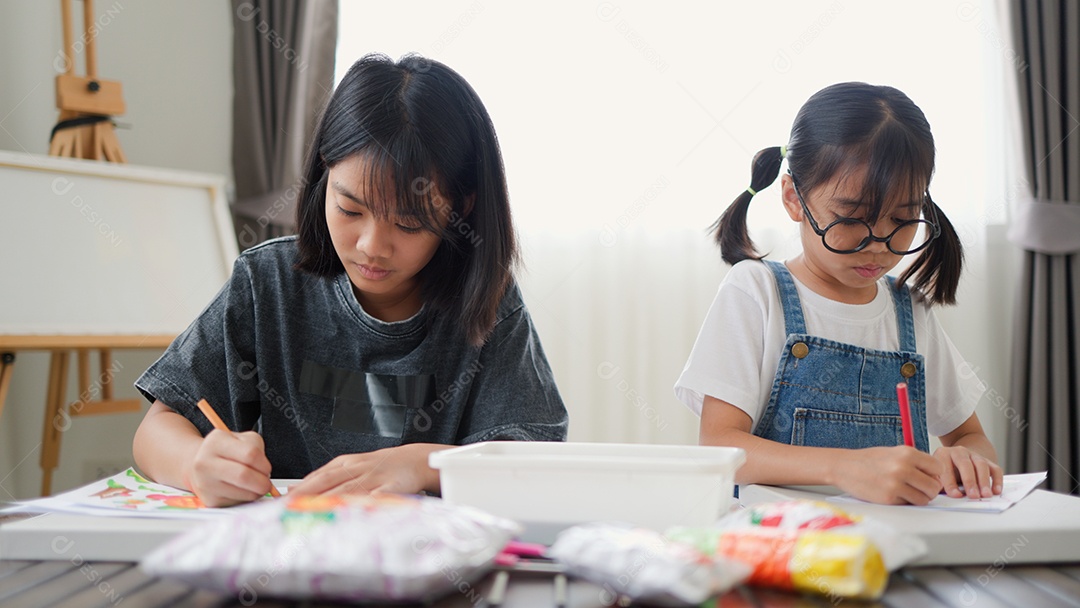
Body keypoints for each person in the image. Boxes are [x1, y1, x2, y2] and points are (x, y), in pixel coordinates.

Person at [133, 54, 568, 507]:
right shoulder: (269, 284)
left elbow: (533, 460)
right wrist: (196, 464)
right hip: (286, 556)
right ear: (325, 175)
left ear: (461, 209)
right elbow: (157, 427)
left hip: (424, 563)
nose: (371, 246)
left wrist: (423, 465)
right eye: (350, 210)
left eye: (409, 223)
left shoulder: (486, 305)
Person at [675, 82, 1002, 506]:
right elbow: (721, 447)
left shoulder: (910, 309)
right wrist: (843, 468)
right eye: (852, 217)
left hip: (896, 543)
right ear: (794, 198)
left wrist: (964, 459)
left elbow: (970, 436)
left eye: (904, 218)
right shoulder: (755, 291)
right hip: (782, 544)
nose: (880, 243)